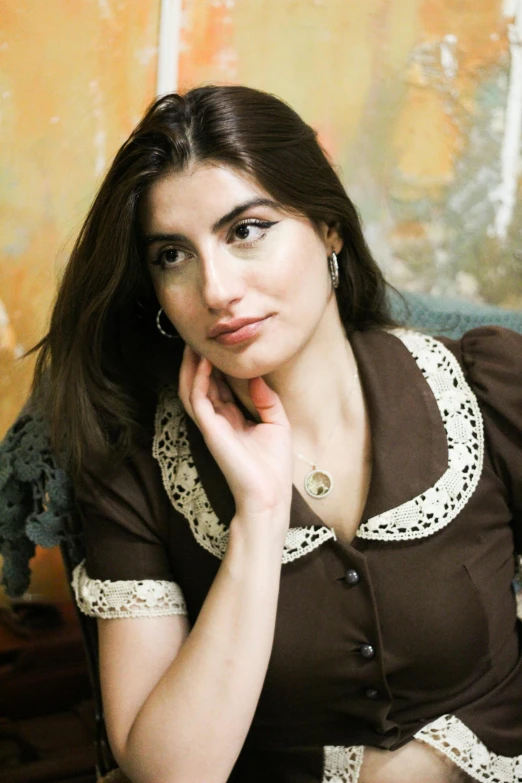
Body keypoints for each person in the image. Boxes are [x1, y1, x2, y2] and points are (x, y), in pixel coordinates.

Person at [32, 85, 522, 783]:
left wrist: (437, 763)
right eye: (173, 254)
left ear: (329, 227)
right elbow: (171, 773)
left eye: (246, 230)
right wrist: (258, 522)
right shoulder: (131, 462)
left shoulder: (489, 387)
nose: (217, 289)